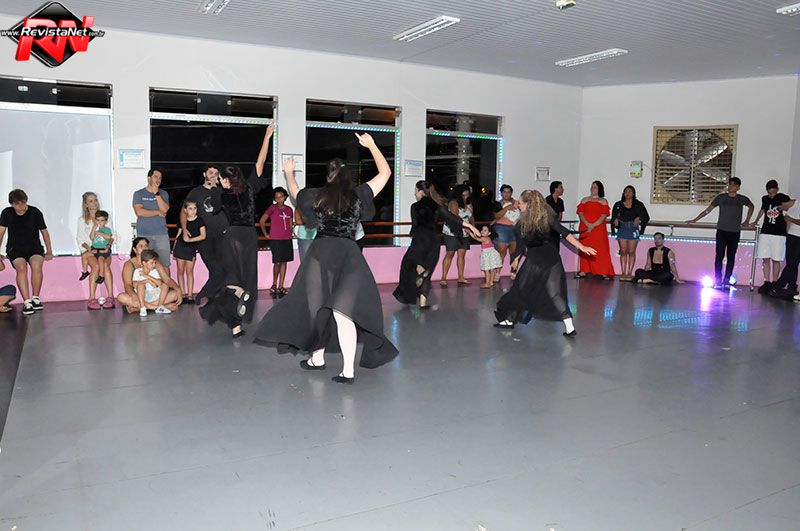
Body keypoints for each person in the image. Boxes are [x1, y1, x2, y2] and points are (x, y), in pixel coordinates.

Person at [254, 133, 399, 384]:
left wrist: (289, 173)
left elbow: (295, 192)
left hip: (321, 254)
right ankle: (345, 370)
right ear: (348, 175)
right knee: (344, 313)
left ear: (329, 175)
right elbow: (385, 173)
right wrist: (372, 145)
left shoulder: (316, 195)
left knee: (318, 308)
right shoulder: (358, 194)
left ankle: (317, 358)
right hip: (349, 255)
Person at [199, 124, 275, 338]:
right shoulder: (249, 188)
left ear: (226, 180)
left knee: (229, 276)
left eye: (221, 178)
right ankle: (236, 327)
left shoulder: (221, 195)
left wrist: (213, 186)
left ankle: (239, 293)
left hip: (232, 237)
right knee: (246, 275)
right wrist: (267, 137)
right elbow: (260, 163)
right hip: (249, 236)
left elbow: (212, 209)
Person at [494, 190, 597, 336]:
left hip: (535, 260)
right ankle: (570, 327)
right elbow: (564, 233)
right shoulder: (543, 218)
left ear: (528, 204)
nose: (518, 205)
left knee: (520, 290)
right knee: (555, 293)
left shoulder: (524, 222)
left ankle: (510, 320)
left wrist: (582, 247)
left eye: (520, 203)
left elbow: (563, 233)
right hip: (551, 257)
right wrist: (516, 259)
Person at [394, 181, 477, 309]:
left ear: (420, 191)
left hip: (420, 239)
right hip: (433, 240)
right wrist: (471, 226)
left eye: (416, 190)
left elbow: (415, 225)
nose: (415, 193)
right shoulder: (436, 206)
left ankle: (420, 275)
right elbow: (452, 218)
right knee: (427, 269)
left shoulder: (415, 206)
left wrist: (412, 233)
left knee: (408, 264)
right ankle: (423, 302)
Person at [687, 177, 754, 287]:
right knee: (719, 256)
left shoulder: (742, 199)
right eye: (729, 184)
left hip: (734, 232)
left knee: (731, 257)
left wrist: (747, 220)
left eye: (733, 185)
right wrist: (695, 219)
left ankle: (727, 280)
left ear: (738, 187)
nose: (730, 187)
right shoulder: (721, 197)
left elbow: (751, 206)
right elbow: (708, 210)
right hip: (722, 231)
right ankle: (718, 280)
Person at [0, 189, 53, 315]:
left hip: (34, 247)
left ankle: (35, 298)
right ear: (12, 204)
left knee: (36, 265)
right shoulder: (7, 213)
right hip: (15, 249)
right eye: (17, 204)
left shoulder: (35, 212)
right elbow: (1, 233)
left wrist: (49, 251)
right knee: (21, 267)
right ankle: (27, 302)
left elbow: (44, 232)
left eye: (23, 203)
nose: (21, 207)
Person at [182, 164, 226, 305]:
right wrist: (184, 228)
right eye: (211, 172)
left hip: (222, 235)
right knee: (214, 266)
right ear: (204, 174)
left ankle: (214, 296)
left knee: (221, 266)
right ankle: (206, 294)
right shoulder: (196, 192)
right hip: (203, 236)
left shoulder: (222, 191)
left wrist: (229, 227)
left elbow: (230, 209)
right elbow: (184, 211)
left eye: (216, 173)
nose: (213, 175)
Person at [117, 237, 182, 314]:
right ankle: (159, 307)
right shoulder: (129, 264)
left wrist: (178, 289)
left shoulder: (154, 262)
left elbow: (166, 279)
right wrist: (134, 296)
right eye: (141, 246)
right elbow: (128, 284)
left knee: (175, 294)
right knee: (121, 297)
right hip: (139, 295)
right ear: (135, 249)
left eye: (146, 246)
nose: (144, 248)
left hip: (154, 293)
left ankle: (140, 308)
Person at [76, 192, 115, 310]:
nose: (94, 203)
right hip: (90, 251)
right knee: (96, 266)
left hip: (104, 249)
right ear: (86, 205)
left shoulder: (105, 216)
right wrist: (89, 249)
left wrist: (108, 246)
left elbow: (112, 236)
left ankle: (111, 297)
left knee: (105, 266)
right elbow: (80, 239)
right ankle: (92, 298)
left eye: (96, 200)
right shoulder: (82, 220)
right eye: (91, 201)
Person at [752, 180, 792, 291]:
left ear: (777, 190)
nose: (772, 194)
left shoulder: (782, 197)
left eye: (774, 192)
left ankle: (775, 282)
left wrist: (784, 210)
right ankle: (767, 281)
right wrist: (755, 221)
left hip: (779, 233)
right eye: (770, 192)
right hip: (766, 231)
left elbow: (790, 206)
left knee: (776, 259)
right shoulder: (765, 198)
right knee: (765, 258)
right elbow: (762, 210)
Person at [576, 181, 614, 280]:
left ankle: (604, 271)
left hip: (598, 229)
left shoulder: (603, 201)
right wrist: (587, 224)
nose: (593, 189)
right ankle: (584, 270)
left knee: (601, 250)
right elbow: (580, 213)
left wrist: (593, 225)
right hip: (585, 228)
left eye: (595, 187)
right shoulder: (584, 199)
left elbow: (603, 215)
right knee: (584, 248)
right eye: (592, 187)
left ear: (599, 189)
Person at [259, 186, 294, 296]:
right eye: (277, 197)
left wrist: (292, 230)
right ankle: (274, 284)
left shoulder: (289, 209)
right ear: (274, 199)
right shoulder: (272, 208)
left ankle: (281, 286)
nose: (279, 199)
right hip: (276, 239)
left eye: (281, 196)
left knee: (284, 261)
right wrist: (266, 234)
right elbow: (262, 221)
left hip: (287, 238)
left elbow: (290, 223)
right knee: (277, 262)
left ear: (285, 197)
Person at [611, 185, 650, 281]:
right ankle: (623, 272)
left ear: (633, 193)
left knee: (631, 251)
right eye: (626, 191)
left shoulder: (638, 204)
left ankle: (629, 272)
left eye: (630, 191)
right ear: (623, 193)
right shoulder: (618, 204)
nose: (628, 193)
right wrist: (615, 221)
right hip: (622, 228)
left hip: (633, 229)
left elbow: (646, 217)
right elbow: (613, 217)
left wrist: (640, 219)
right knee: (623, 251)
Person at [132, 168, 170, 267]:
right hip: (144, 234)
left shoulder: (163, 193)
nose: (158, 180)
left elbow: (164, 209)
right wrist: (157, 212)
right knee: (145, 263)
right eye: (156, 177)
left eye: (160, 178)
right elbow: (139, 212)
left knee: (164, 264)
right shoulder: (139, 194)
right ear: (149, 178)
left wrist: (156, 193)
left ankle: (164, 278)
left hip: (161, 234)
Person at [174, 200, 207, 303]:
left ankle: (189, 295)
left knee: (189, 272)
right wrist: (174, 248)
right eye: (190, 208)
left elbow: (203, 236)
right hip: (180, 247)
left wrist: (190, 240)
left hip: (191, 248)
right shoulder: (182, 220)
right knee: (180, 271)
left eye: (194, 208)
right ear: (185, 210)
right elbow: (178, 234)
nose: (193, 211)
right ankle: (182, 294)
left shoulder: (200, 220)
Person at [771, 198, 800, 298]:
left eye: (780, 206)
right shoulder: (793, 205)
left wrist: (790, 219)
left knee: (793, 263)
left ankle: (779, 285)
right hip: (791, 236)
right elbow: (787, 221)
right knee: (792, 264)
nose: (780, 208)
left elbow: (790, 219)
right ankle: (792, 287)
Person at [440, 196, 472, 287]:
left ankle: (461, 277)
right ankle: (443, 277)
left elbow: (471, 217)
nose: (465, 196)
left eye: (467, 194)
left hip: (465, 233)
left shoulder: (469, 204)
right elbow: (455, 216)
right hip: (452, 232)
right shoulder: (453, 202)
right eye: (464, 194)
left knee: (462, 254)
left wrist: (471, 227)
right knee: (450, 253)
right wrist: (466, 226)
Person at [132, 250, 173, 316]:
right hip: (143, 296)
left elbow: (159, 283)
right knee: (139, 286)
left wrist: (147, 276)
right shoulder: (137, 271)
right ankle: (143, 307)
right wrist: (147, 281)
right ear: (144, 263)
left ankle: (160, 306)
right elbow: (134, 284)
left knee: (166, 286)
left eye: (155, 262)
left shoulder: (154, 271)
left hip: (154, 294)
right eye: (152, 263)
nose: (154, 265)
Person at [493, 184, 519, 276]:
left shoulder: (517, 203)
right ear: (501, 193)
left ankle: (513, 272)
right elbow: (496, 216)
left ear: (511, 193)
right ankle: (497, 273)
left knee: (514, 252)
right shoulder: (497, 204)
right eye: (504, 192)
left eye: (509, 192)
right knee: (501, 252)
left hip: (515, 229)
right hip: (501, 229)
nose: (506, 194)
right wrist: (507, 208)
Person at [89, 209, 114, 286]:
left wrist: (98, 232)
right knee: (85, 256)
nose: (99, 222)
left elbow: (109, 237)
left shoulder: (107, 229)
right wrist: (94, 229)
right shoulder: (95, 229)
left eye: (102, 220)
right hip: (95, 249)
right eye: (97, 220)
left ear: (106, 221)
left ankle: (101, 275)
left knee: (100, 259)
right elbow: (91, 238)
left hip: (103, 249)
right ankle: (85, 271)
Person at [545, 181, 565, 249]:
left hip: (556, 228)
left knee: (556, 247)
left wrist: (557, 224)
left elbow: (560, 215)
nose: (563, 189)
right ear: (555, 189)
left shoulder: (560, 201)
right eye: (561, 187)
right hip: (548, 229)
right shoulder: (547, 200)